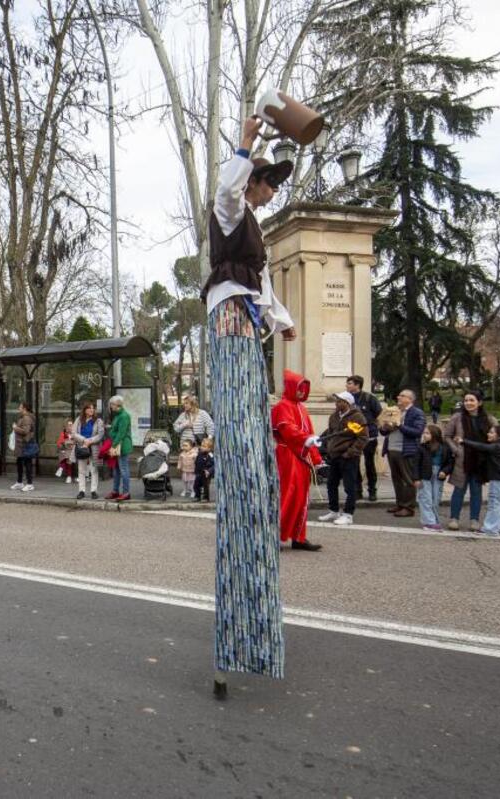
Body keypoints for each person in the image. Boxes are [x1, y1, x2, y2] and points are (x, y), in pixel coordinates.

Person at [202, 114, 296, 686]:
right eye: (268, 183)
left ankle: (253, 630)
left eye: (272, 185)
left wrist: (282, 323)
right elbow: (226, 191)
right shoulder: (233, 213)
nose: (271, 191)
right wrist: (245, 143)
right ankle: (237, 635)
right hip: (229, 320)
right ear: (254, 180)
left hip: (247, 322)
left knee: (256, 461)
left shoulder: (254, 233)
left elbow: (264, 288)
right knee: (240, 452)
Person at [272, 370, 324, 549]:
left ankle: (298, 536)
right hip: (287, 456)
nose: (302, 392)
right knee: (287, 494)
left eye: (304, 389)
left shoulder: (301, 408)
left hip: (300, 457)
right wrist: (305, 440)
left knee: (302, 497)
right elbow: (287, 429)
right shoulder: (282, 406)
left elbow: (309, 433)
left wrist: (316, 458)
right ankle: (277, 535)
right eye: (299, 388)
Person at [441, 391, 495, 532]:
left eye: (472, 400)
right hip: (461, 460)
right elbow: (447, 436)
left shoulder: (488, 419)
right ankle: (454, 518)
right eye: (466, 400)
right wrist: (456, 449)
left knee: (476, 491)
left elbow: (498, 435)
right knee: (459, 490)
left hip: (480, 461)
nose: (468, 403)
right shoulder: (457, 417)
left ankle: (474, 520)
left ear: (479, 402)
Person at [317, 391, 368, 527]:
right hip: (334, 456)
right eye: (336, 400)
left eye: (339, 401)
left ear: (347, 403)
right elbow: (330, 433)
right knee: (331, 484)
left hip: (348, 457)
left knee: (349, 486)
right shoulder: (334, 416)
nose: (336, 403)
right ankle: (333, 510)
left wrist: (350, 452)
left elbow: (362, 438)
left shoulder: (357, 417)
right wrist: (327, 447)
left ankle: (348, 514)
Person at [460, 425, 500, 536]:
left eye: (491, 432)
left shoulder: (497, 446)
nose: (488, 434)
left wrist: (464, 441)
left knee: (495, 503)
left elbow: (481, 447)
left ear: (499, 435)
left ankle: (490, 529)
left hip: (498, 479)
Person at [380, 389, 426, 518]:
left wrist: (399, 425)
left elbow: (417, 432)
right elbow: (383, 432)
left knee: (407, 480)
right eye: (399, 395)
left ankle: (408, 507)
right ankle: (400, 504)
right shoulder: (395, 411)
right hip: (391, 449)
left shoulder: (417, 413)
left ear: (410, 400)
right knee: (396, 480)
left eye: (402, 396)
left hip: (406, 450)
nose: (398, 397)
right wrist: (384, 427)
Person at [346, 376, 383, 502]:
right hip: (353, 437)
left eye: (350, 383)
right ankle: (358, 490)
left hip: (369, 436)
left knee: (369, 463)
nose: (347, 386)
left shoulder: (369, 398)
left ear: (358, 385)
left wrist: (375, 427)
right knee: (354, 463)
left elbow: (380, 414)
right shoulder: (347, 399)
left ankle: (372, 491)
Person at [413, 424, 454, 531]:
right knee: (425, 498)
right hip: (425, 475)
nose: (424, 435)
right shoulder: (421, 447)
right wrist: (416, 478)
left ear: (434, 435)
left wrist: (445, 471)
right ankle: (428, 522)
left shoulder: (445, 447)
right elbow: (416, 464)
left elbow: (450, 462)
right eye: (424, 433)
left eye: (427, 433)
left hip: (438, 475)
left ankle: (434, 520)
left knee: (435, 499)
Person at [71, 402, 104, 500]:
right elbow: (73, 433)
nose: (91, 410)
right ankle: (81, 491)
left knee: (94, 470)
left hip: (94, 448)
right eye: (89, 408)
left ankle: (94, 491)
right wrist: (83, 440)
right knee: (81, 470)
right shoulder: (79, 419)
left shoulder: (98, 421)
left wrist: (90, 441)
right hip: (82, 447)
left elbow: (100, 435)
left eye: (93, 408)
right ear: (85, 410)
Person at [106, 395, 133, 501]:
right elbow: (117, 429)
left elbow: (121, 433)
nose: (110, 407)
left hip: (122, 446)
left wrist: (112, 447)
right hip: (118, 445)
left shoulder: (124, 416)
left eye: (111, 404)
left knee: (123, 469)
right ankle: (115, 491)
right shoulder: (118, 415)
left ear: (117, 404)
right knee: (116, 470)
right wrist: (111, 428)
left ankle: (126, 493)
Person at [11, 402, 38, 492]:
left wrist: (15, 428)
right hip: (21, 444)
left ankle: (30, 484)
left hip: (24, 444)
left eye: (20, 407)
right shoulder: (23, 417)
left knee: (27, 463)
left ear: (25, 408)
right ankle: (19, 482)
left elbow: (26, 431)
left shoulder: (27, 418)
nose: (19, 408)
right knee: (19, 463)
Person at [193, 437, 214, 502]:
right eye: (202, 446)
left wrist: (209, 471)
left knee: (205, 486)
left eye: (204, 446)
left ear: (209, 448)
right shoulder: (200, 453)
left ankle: (206, 498)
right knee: (196, 485)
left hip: (206, 473)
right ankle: (197, 496)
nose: (202, 447)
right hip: (199, 472)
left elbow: (214, 465)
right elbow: (197, 462)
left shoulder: (210, 455)